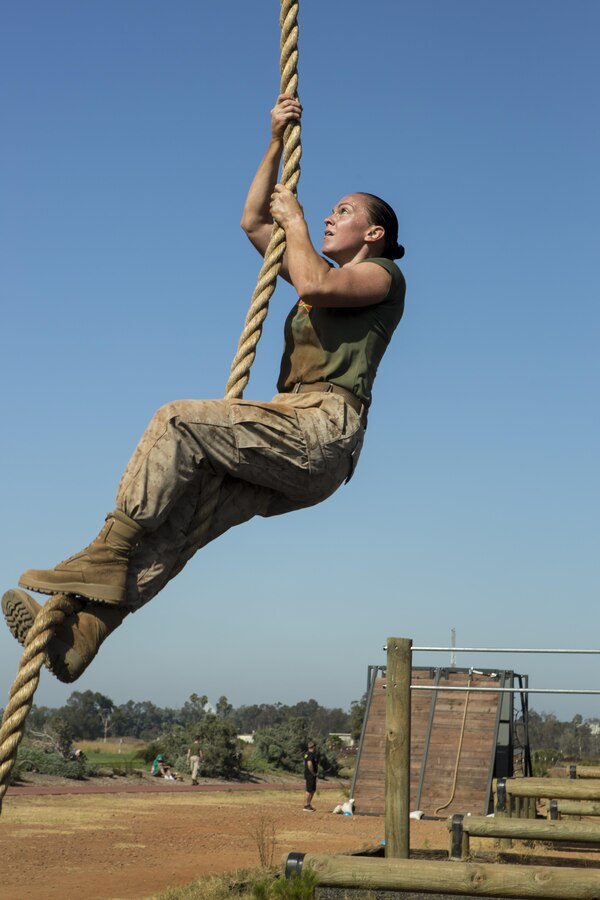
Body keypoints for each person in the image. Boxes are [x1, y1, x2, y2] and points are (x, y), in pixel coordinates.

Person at [2, 94, 406, 683]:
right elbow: (251, 222)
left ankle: (109, 550)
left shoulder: (382, 275)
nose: (326, 217)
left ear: (372, 232)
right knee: (185, 522)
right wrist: (274, 142)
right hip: (289, 427)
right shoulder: (311, 263)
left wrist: (293, 219)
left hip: (322, 431)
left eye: (341, 211)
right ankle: (85, 635)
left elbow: (315, 285)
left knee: (178, 421)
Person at [303, 740, 318, 811]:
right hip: (310, 775)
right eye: (315, 746)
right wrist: (313, 773)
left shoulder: (306, 754)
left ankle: (308, 804)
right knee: (309, 790)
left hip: (310, 774)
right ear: (313, 747)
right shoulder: (310, 755)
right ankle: (306, 805)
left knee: (313, 790)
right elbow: (309, 764)